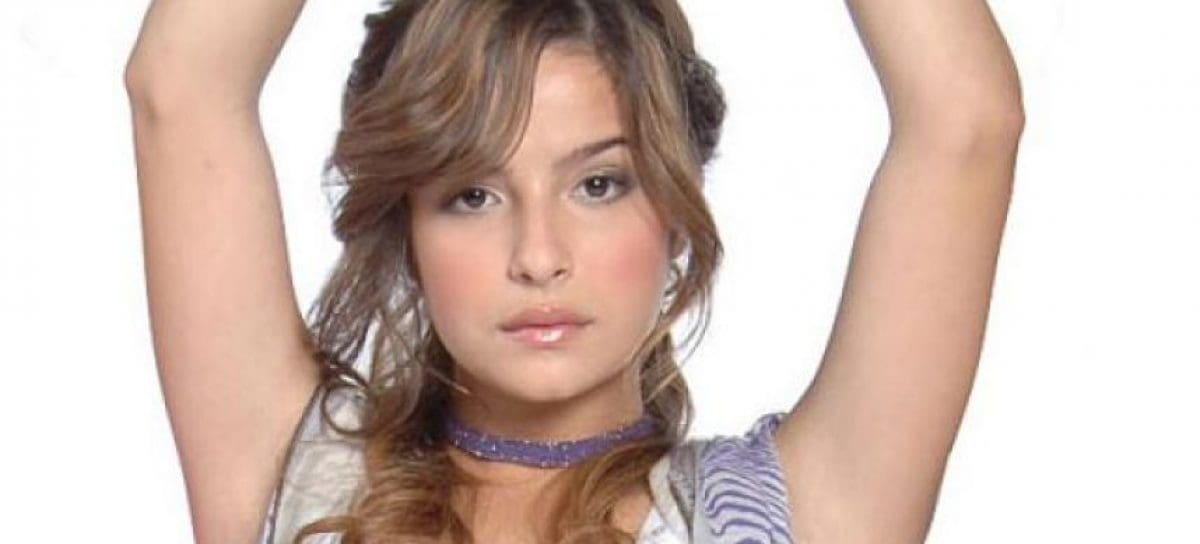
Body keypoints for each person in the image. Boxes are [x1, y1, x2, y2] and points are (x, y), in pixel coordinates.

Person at [125, 0, 1023, 542]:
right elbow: (181, 84)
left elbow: (966, 121)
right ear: (408, 229)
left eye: (598, 184)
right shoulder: (308, 482)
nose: (538, 255)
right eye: (472, 196)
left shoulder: (786, 516)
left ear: (673, 206)